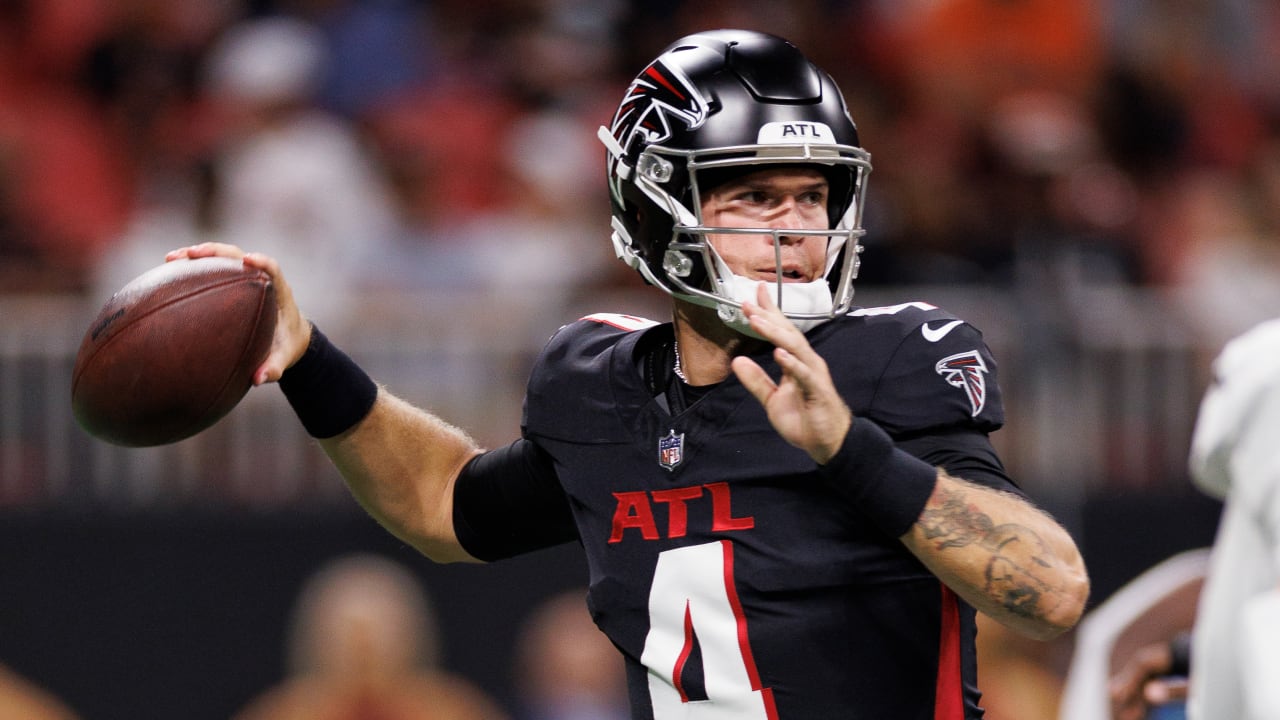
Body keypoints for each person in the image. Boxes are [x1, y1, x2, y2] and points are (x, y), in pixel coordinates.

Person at [167, 29, 1090, 719]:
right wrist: (308, 357)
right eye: (753, 196)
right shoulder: (603, 387)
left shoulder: (889, 361)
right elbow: (444, 507)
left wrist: (851, 450)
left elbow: (1049, 593)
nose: (797, 230)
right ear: (656, 210)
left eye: (814, 197)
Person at [232, 553, 506, 720]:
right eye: (347, 638)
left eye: (380, 636)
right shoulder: (286, 714)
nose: (363, 653)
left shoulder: (452, 712)